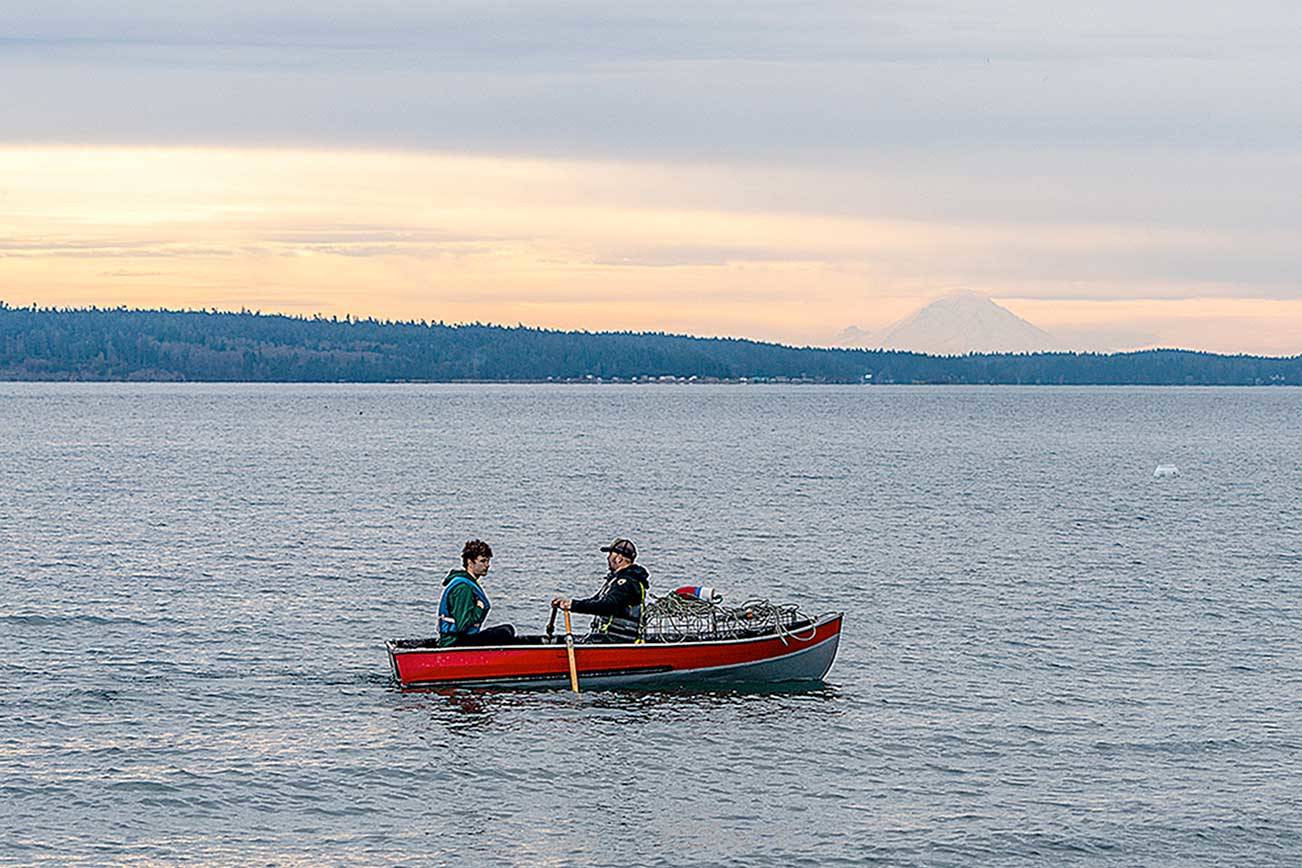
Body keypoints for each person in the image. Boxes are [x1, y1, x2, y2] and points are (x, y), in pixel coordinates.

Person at [551, 538, 650, 643]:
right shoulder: (615, 580)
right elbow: (596, 601)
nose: (608, 558)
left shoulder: (626, 583)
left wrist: (573, 605)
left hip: (617, 639)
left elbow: (607, 606)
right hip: (608, 637)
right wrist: (570, 604)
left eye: (610, 554)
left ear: (619, 559)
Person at [438, 539, 516, 647]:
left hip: (463, 638)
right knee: (505, 633)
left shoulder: (469, 583)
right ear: (470, 562)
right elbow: (462, 626)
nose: (487, 565)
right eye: (483, 561)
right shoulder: (463, 589)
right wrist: (479, 609)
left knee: (508, 629)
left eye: (488, 561)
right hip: (455, 642)